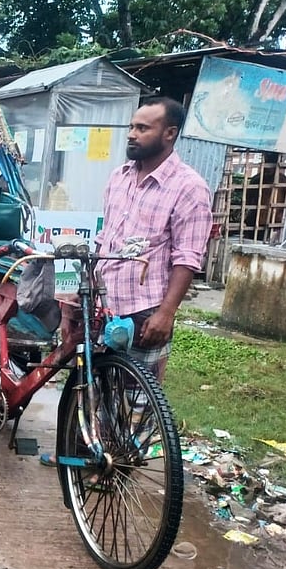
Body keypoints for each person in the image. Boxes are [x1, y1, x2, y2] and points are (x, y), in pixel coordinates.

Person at [98, 96, 212, 382]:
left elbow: (187, 257)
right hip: (102, 304)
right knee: (91, 391)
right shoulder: (118, 177)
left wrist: (166, 313)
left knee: (139, 398)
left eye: (142, 128)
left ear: (169, 133)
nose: (131, 134)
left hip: (144, 311)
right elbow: (105, 238)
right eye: (131, 127)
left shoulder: (189, 187)